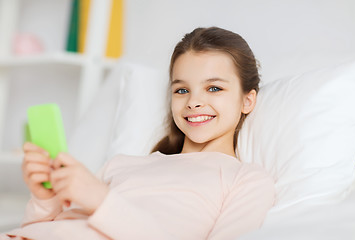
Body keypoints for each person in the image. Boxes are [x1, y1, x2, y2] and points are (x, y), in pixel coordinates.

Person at [1, 27, 275, 240]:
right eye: (181, 90)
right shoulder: (122, 163)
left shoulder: (246, 180)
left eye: (214, 88)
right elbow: (45, 230)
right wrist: (44, 199)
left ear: (247, 100)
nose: (193, 101)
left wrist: (101, 201)